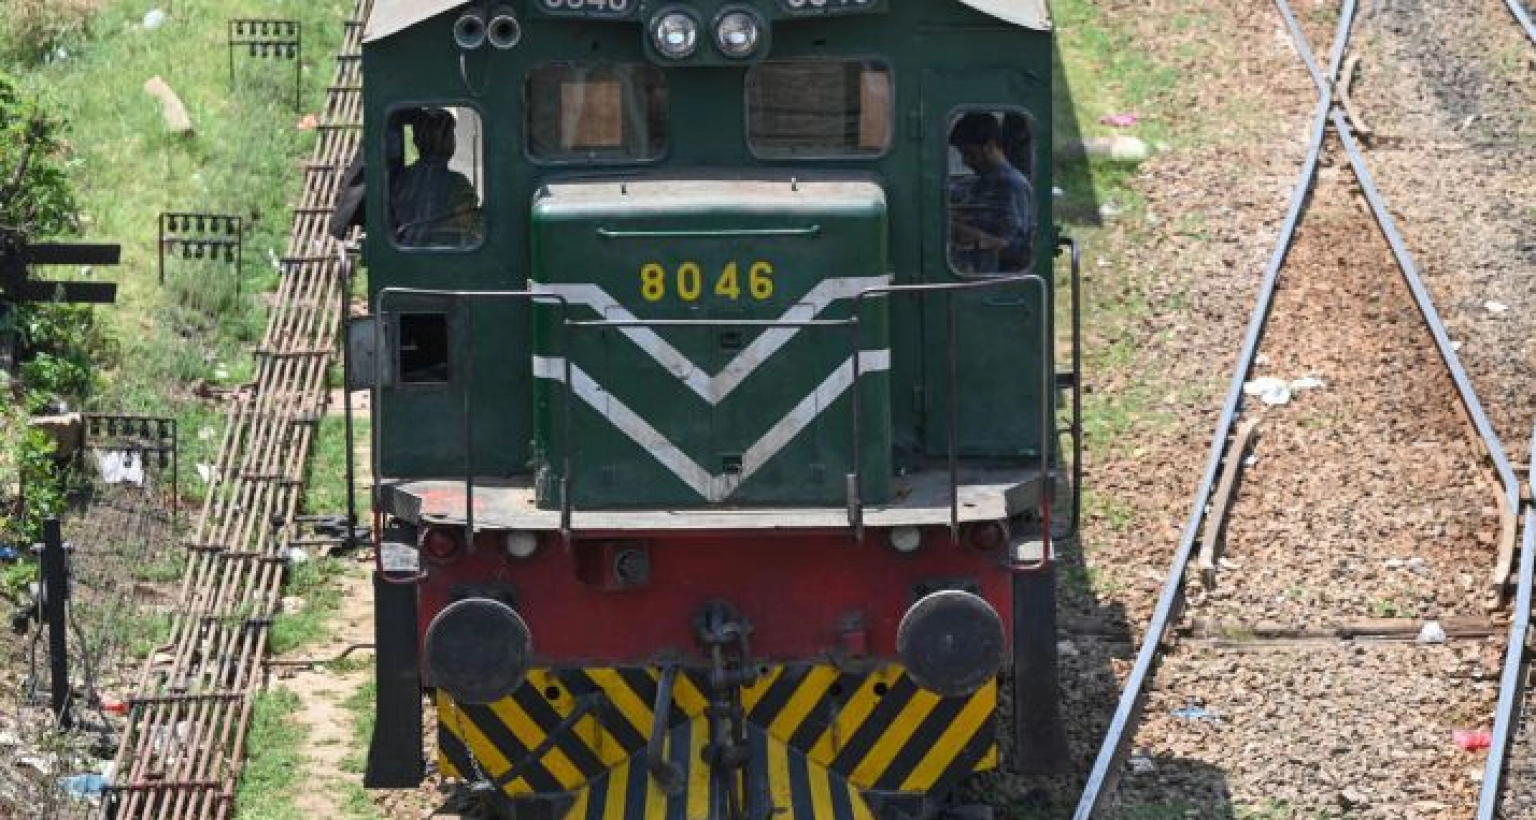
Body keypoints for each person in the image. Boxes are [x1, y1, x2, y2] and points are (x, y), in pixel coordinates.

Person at [947, 112, 1035, 274]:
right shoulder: (980, 182)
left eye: (970, 154)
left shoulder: (1012, 186)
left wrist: (967, 233)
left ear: (989, 147)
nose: (966, 161)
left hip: (997, 275)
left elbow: (1016, 250)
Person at [389, 108, 483, 247]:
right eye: (449, 135)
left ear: (417, 141)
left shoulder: (399, 179)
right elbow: (471, 226)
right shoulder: (457, 183)